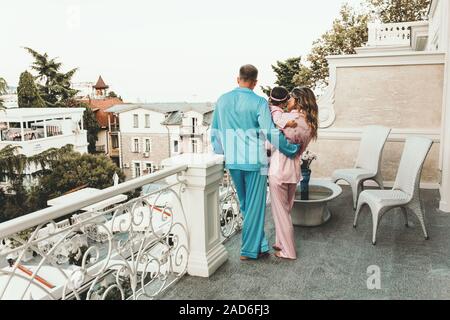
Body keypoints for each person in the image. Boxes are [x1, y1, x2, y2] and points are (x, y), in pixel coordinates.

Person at [211, 65, 301, 261]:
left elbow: (215, 132)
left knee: (245, 204)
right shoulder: (259, 102)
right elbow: (270, 132)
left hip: (233, 161)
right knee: (255, 205)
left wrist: (221, 153)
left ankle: (259, 244)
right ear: (255, 82)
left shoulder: (222, 100)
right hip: (257, 161)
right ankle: (249, 250)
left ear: (238, 79)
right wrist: (291, 149)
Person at [268, 86, 318, 260]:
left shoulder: (287, 118)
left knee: (280, 213)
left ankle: (288, 251)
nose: (287, 101)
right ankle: (280, 242)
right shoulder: (310, 123)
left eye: (290, 98)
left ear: (297, 100)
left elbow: (272, 142)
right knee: (286, 211)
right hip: (294, 171)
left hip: (278, 169)